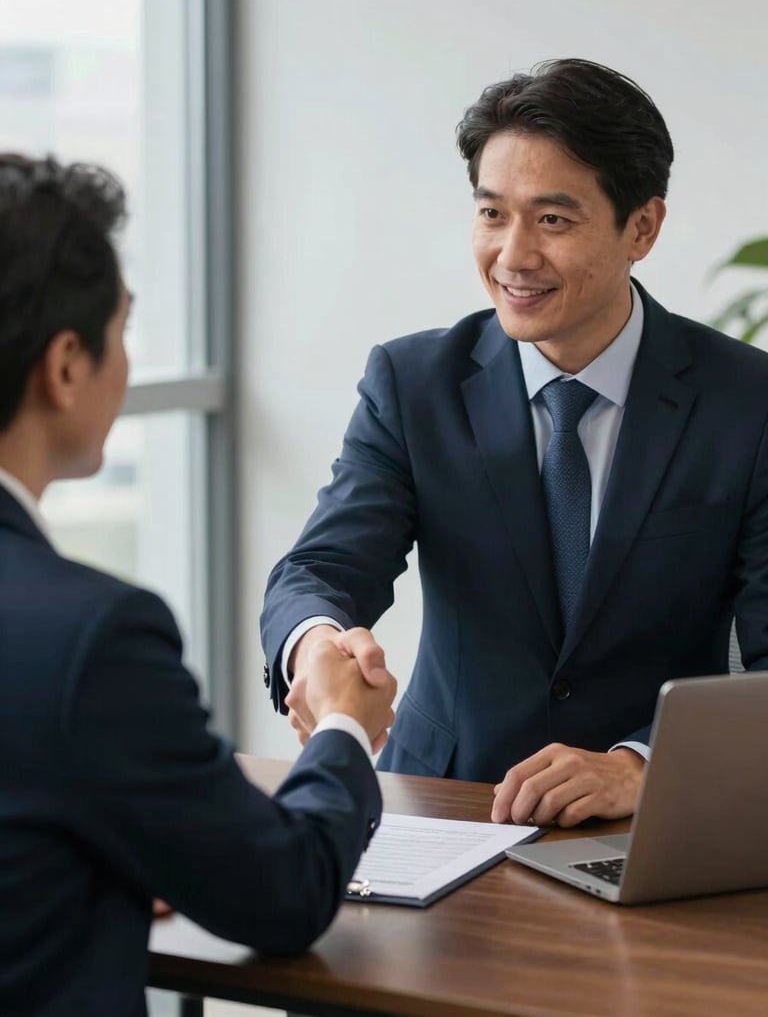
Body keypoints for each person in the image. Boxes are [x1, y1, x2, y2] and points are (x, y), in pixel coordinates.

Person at [261, 58, 768, 829]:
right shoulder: (413, 382)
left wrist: (639, 765)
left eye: (553, 219)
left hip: (653, 825)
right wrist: (318, 646)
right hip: (443, 806)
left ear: (643, 227)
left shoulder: (746, 401)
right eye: (493, 213)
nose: (513, 255)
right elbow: (323, 567)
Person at [0, 153, 397, 1017]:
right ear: (66, 364)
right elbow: (284, 891)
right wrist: (343, 728)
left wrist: (91, 856)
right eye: (123, 327)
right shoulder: (88, 637)